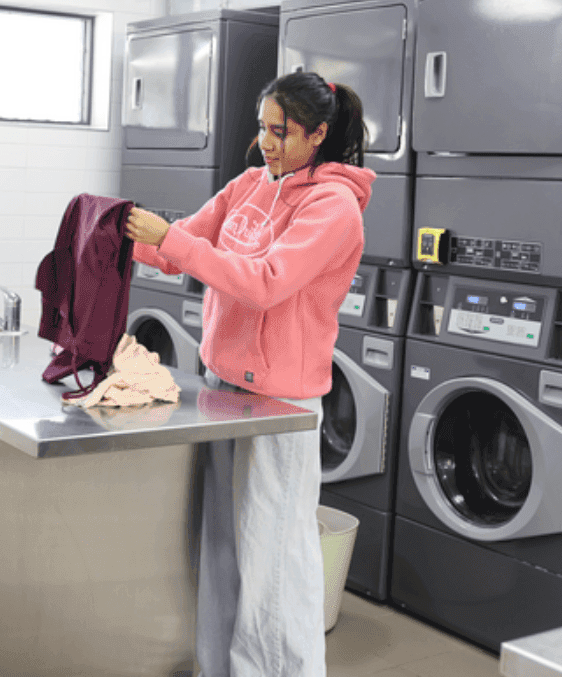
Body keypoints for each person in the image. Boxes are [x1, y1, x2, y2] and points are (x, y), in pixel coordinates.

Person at [123, 70, 373, 677]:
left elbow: (265, 283)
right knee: (221, 547)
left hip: (281, 402)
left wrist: (172, 242)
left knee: (273, 558)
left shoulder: (333, 207)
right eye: (262, 128)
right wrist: (113, 231)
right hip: (222, 389)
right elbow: (176, 247)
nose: (266, 142)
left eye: (280, 132)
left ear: (318, 134)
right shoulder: (249, 185)